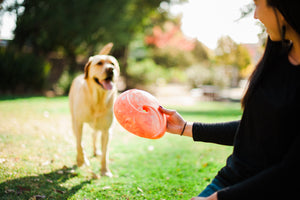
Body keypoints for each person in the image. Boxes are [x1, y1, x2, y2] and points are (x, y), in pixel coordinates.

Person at [159, 0, 300, 199]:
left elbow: (291, 172)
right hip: (229, 181)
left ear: (283, 8)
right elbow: (256, 129)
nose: (255, 15)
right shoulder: (277, 56)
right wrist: (185, 128)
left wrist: (217, 199)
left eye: (258, 5)